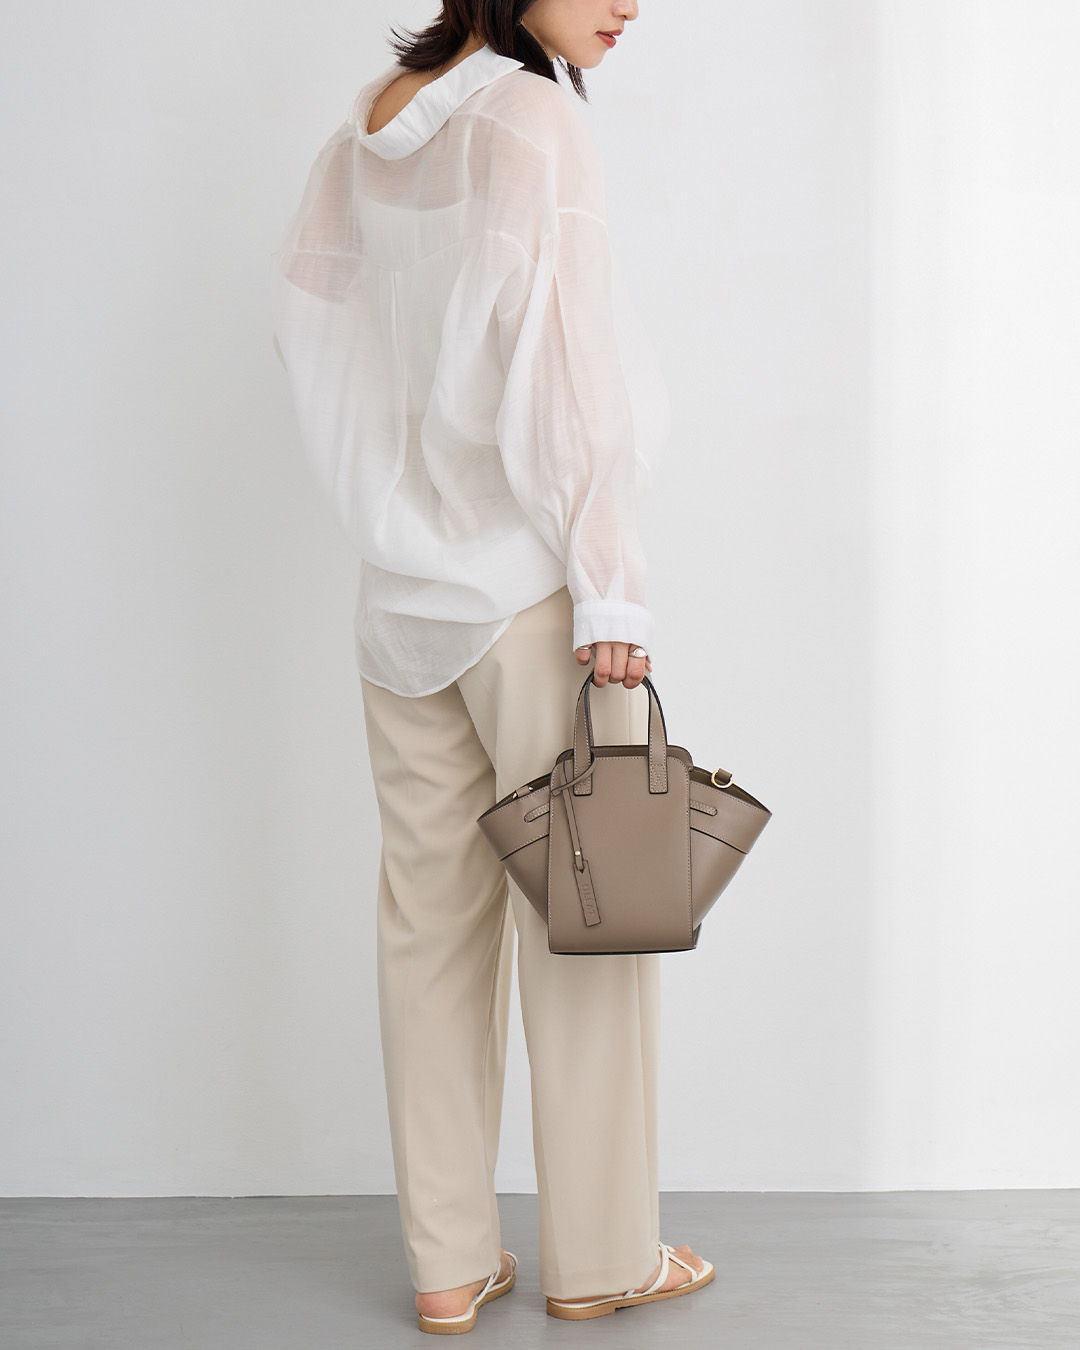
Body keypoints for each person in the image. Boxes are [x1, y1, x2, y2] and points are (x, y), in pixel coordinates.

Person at [270, 0, 713, 1332]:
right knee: (590, 921)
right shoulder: (532, 122)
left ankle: (449, 1261)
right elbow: (570, 366)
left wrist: (391, 504)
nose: (632, 3)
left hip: (401, 603)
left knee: (429, 932)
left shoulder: (369, 129)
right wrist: (609, 583)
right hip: (528, 597)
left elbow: (311, 333)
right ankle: (601, 1257)